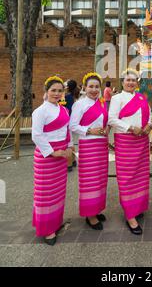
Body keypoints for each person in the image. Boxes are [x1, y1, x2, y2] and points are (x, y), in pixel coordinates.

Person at [108, 68, 152, 235]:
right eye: (128, 80)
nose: (131, 83)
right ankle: (129, 215)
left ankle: (138, 206)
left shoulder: (142, 98)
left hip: (141, 140)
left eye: (134, 80)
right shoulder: (116, 98)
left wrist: (149, 125)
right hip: (126, 141)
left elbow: (150, 115)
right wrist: (130, 127)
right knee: (126, 177)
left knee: (140, 176)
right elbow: (112, 119)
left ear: (137, 83)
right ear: (123, 82)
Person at [32, 75, 73, 245]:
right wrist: (52, 152)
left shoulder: (63, 110)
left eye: (59, 91)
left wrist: (70, 146)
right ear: (46, 92)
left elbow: (67, 130)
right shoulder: (40, 111)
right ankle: (46, 229)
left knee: (58, 192)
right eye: (53, 90)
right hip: (46, 157)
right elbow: (36, 135)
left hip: (61, 155)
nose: (56, 93)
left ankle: (55, 222)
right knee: (45, 194)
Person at [70, 72, 109, 230]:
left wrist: (106, 129)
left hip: (101, 146)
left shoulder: (101, 102)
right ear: (84, 87)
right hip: (88, 146)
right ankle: (90, 215)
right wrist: (89, 131)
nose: (94, 89)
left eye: (96, 87)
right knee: (90, 181)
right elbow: (73, 126)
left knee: (100, 179)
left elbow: (103, 122)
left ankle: (97, 209)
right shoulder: (80, 104)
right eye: (91, 86)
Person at [64, 79, 80, 172]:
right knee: (71, 141)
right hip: (71, 120)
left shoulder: (67, 97)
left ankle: (69, 164)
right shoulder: (73, 95)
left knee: (68, 143)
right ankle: (73, 161)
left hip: (67, 120)